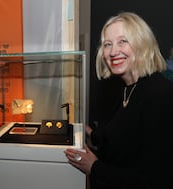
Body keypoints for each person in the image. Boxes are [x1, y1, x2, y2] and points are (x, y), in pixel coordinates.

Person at [64, 12, 173, 189]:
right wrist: (88, 131)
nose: (113, 51)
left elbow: (155, 179)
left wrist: (94, 167)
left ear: (142, 44)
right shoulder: (127, 89)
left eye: (123, 41)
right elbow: (122, 136)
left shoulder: (160, 94)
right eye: (108, 44)